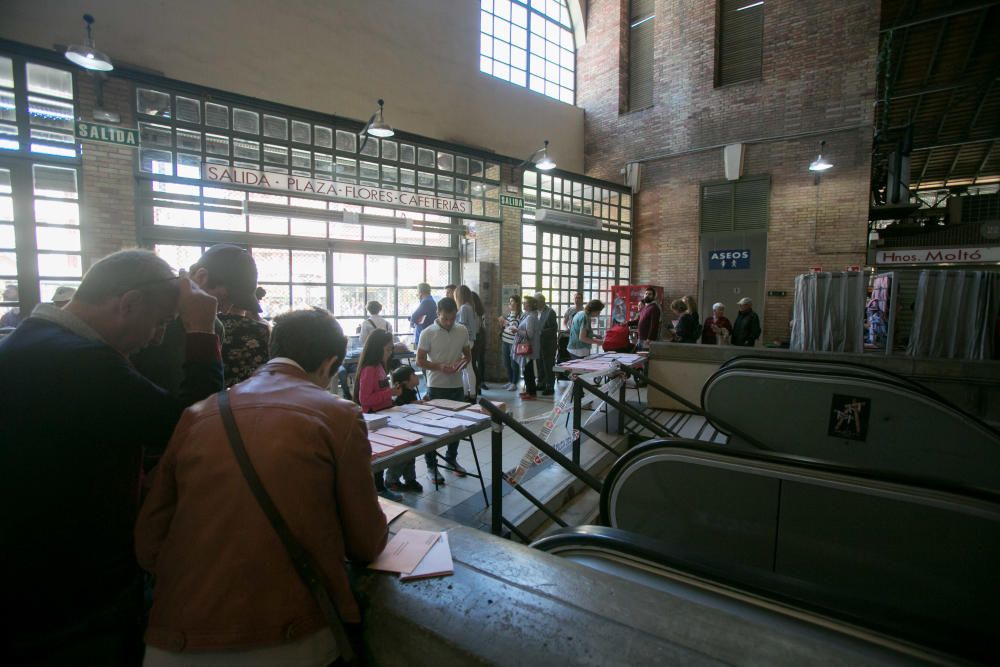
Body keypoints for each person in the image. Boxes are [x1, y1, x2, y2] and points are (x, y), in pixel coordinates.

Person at [0, 250, 222, 665]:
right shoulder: (81, 362)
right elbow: (198, 427)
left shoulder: (34, 342)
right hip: (70, 595)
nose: (157, 338)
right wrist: (200, 331)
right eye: (158, 323)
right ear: (129, 303)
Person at [136, 308, 387, 666]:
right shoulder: (338, 415)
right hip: (291, 636)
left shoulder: (199, 412)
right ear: (330, 364)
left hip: (174, 638)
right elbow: (365, 542)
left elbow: (149, 539)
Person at [133, 244, 260, 397]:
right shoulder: (151, 314)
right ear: (201, 277)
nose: (226, 310)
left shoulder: (215, 328)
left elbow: (207, 396)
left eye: (233, 304)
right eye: (223, 299)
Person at [416, 297, 471, 483]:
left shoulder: (462, 329)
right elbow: (420, 361)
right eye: (445, 318)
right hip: (436, 385)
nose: (449, 322)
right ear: (438, 314)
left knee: (455, 428)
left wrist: (463, 363)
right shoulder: (427, 332)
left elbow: (468, 355)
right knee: (432, 429)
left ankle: (451, 459)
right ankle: (432, 467)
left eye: (452, 318)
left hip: (456, 386)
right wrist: (439, 366)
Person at [356, 328, 404, 501]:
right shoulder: (370, 369)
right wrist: (389, 392)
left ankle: (380, 486)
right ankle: (378, 489)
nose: (391, 353)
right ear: (378, 349)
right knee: (379, 457)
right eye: (388, 349)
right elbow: (365, 399)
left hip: (384, 414)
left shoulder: (379, 367)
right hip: (375, 417)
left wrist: (392, 393)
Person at [218, 289, 270, 388]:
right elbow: (265, 363)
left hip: (216, 387)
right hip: (250, 389)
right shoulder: (260, 329)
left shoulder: (212, 324)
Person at [384, 365, 423, 494]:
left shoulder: (411, 391)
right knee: (402, 457)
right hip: (402, 428)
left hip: (411, 428)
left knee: (411, 455)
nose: (417, 376)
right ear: (406, 381)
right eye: (414, 375)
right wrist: (416, 404)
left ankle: (410, 479)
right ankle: (391, 480)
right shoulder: (403, 393)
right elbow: (403, 407)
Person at [455, 285, 480, 398]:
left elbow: (462, 325)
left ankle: (472, 393)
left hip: (466, 340)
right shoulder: (470, 306)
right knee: (465, 368)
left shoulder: (464, 308)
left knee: (468, 368)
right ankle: (466, 392)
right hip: (469, 339)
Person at [515, 296, 541, 400]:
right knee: (527, 369)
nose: (523, 305)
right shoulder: (529, 315)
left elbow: (529, 334)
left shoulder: (531, 317)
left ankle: (532, 392)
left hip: (529, 348)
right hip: (529, 347)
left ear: (530, 305)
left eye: (525, 303)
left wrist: (516, 330)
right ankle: (529, 390)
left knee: (528, 370)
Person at [535, 292, 558, 396]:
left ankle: (550, 386)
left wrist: (540, 332)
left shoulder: (550, 312)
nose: (534, 304)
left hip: (548, 344)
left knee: (548, 366)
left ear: (542, 301)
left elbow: (554, 329)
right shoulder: (535, 312)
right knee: (539, 364)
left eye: (536, 302)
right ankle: (541, 383)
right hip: (538, 344)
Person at [498, 294, 521, 391]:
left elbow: (514, 328)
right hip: (505, 341)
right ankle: (510, 380)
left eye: (512, 301)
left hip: (513, 342)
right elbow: (505, 328)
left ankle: (514, 382)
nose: (510, 303)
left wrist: (506, 323)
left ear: (517, 303)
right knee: (506, 362)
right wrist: (502, 324)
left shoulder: (520, 315)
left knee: (513, 363)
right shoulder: (509, 314)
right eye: (510, 301)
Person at [409, 282, 437, 346]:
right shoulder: (430, 301)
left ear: (420, 292)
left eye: (418, 293)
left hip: (424, 337)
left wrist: (412, 321)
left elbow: (414, 316)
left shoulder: (426, 301)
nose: (418, 295)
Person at [471, 290, 488, 392]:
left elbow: (476, 328)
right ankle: (480, 383)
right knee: (480, 361)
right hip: (482, 337)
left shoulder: (474, 313)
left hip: (477, 338)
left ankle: (477, 385)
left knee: (474, 363)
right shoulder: (481, 311)